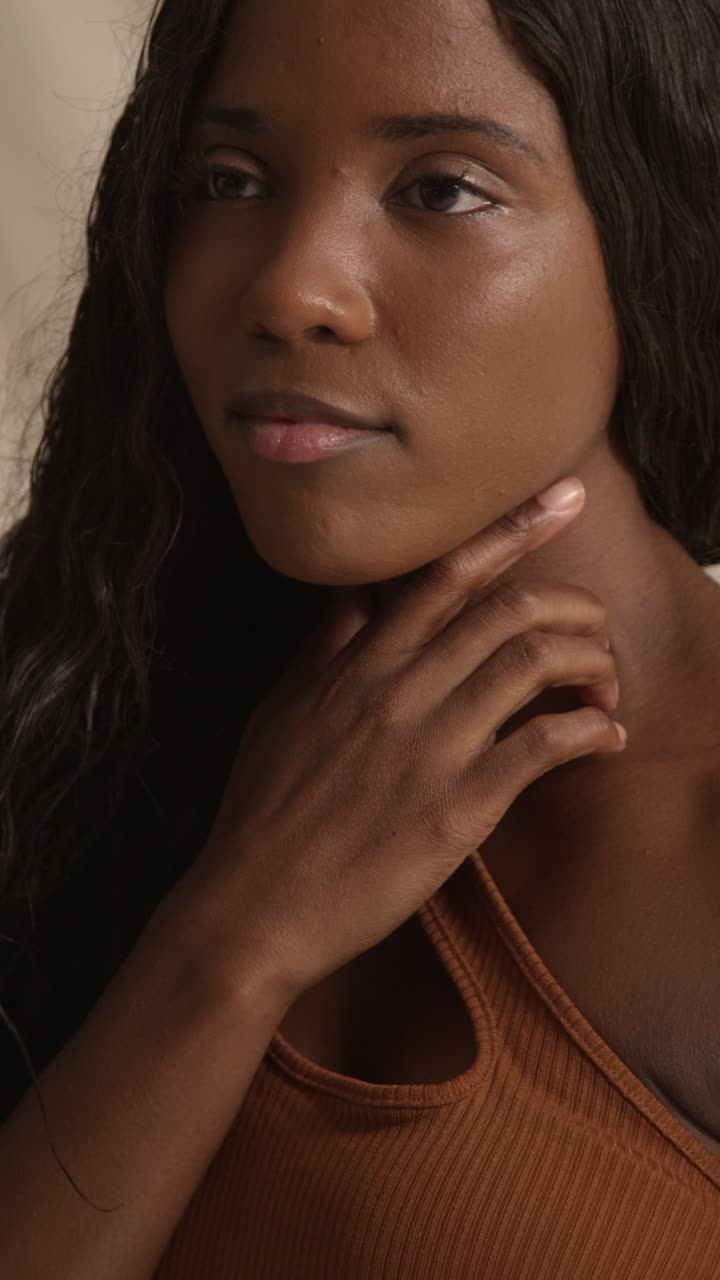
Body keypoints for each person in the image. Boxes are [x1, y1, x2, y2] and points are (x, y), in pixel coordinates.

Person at [0, 0, 719, 1274]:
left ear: (653, 227)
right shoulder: (76, 701)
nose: (289, 288)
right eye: (229, 180)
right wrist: (238, 931)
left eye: (442, 189)